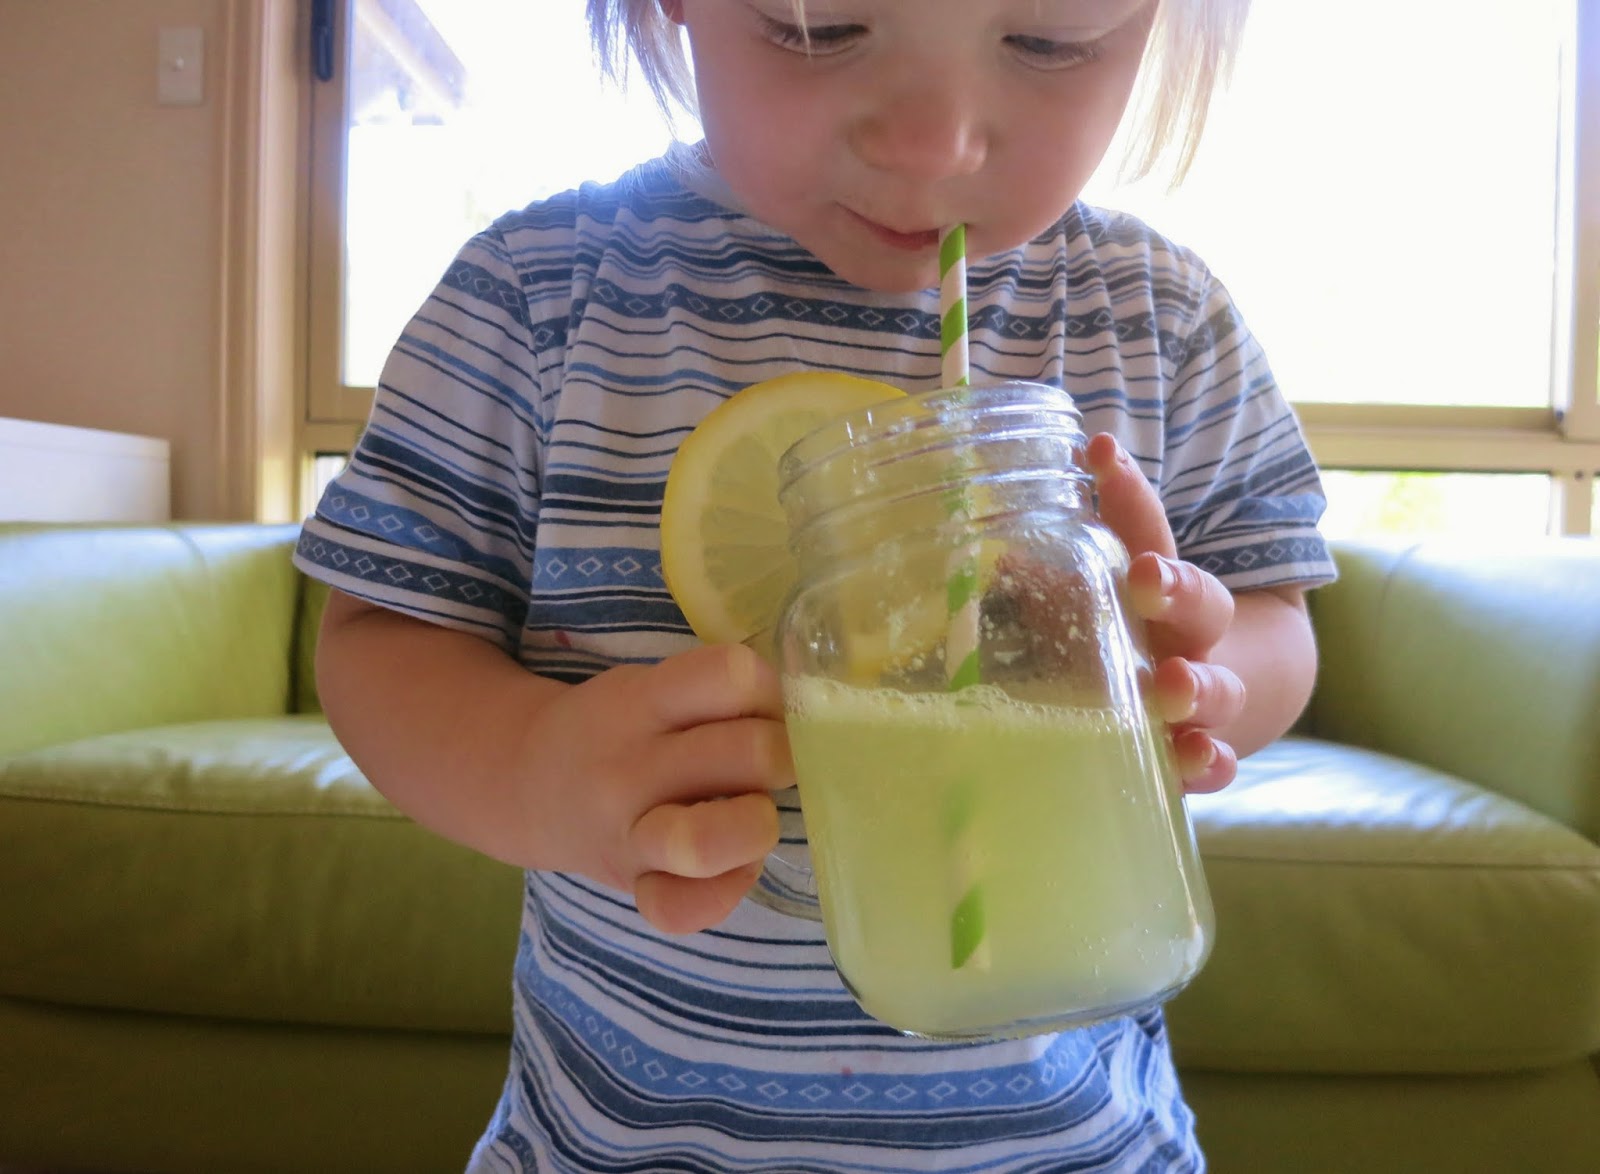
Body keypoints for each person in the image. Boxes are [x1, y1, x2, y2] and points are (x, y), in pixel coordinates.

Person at [296, 0, 1336, 1168]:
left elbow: (1274, 610)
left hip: (1078, 1144)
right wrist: (534, 770)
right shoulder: (538, 297)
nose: (932, 146)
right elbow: (379, 636)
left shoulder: (1159, 319)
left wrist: (1193, 669)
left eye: (1049, 42)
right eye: (818, 26)